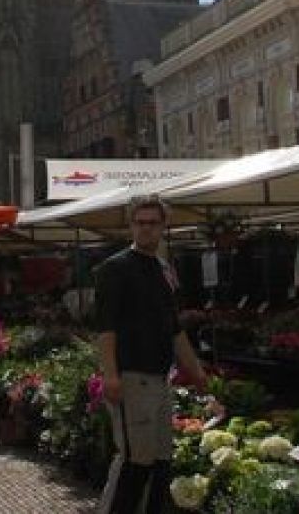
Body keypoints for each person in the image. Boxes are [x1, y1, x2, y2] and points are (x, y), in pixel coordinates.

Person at [93, 199, 211, 514]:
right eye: (140, 222)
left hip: (160, 380)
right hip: (133, 378)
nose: (146, 227)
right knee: (134, 462)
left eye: (153, 222)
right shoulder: (115, 268)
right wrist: (111, 374)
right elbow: (105, 328)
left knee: (160, 462)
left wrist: (196, 371)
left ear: (162, 226)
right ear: (131, 225)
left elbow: (175, 330)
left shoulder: (163, 270)